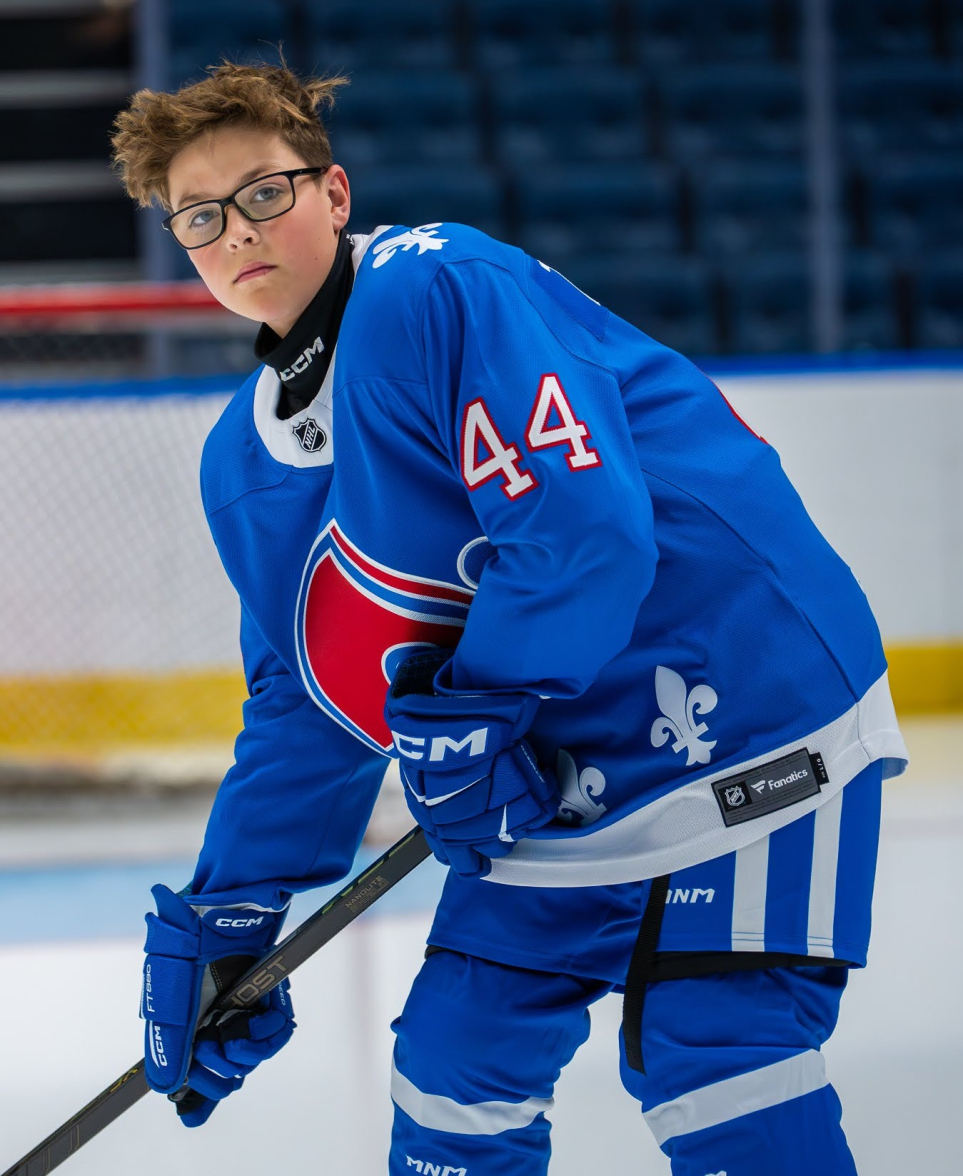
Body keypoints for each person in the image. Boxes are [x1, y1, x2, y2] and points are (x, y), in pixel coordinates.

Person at [111, 62, 907, 1175]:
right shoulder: (241, 465)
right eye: (200, 216)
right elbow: (309, 698)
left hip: (748, 707)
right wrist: (232, 908)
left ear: (333, 194)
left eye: (263, 192)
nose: (236, 230)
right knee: (453, 1072)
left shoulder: (437, 285)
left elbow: (583, 533)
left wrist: (473, 713)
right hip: (554, 783)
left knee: (716, 1061)